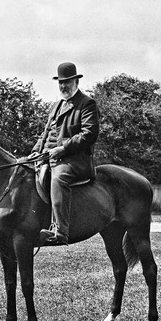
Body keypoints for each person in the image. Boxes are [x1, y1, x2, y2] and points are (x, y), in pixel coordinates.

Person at [29, 62, 100, 245]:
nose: (63, 86)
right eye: (61, 82)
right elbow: (46, 133)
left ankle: (60, 232)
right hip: (51, 156)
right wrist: (36, 151)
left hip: (75, 160)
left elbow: (89, 134)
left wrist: (63, 149)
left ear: (76, 81)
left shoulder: (86, 104)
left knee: (58, 178)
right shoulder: (56, 106)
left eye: (67, 82)